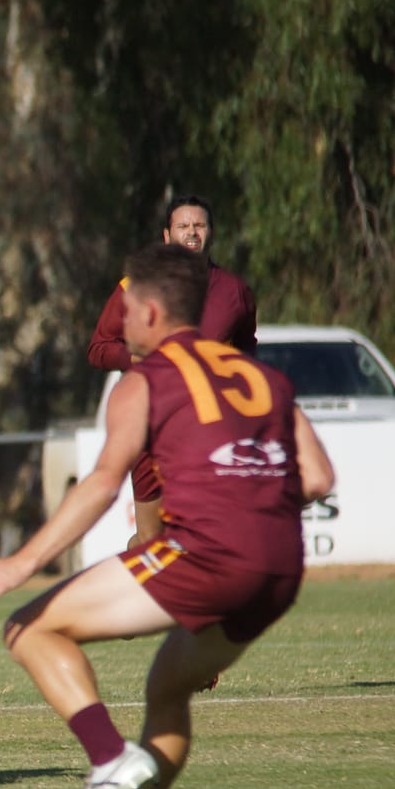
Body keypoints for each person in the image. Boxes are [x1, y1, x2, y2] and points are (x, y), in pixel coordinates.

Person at [0, 242, 331, 789]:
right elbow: (318, 477)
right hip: (279, 568)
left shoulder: (144, 380)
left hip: (209, 555)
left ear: (153, 313)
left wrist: (18, 563)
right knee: (169, 684)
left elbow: (103, 485)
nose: (120, 321)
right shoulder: (264, 377)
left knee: (28, 627)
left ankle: (108, 759)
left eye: (126, 308)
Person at [87, 195, 258, 546]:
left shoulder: (234, 292)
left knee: (208, 535)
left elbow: (246, 350)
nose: (192, 233)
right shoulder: (136, 287)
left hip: (208, 429)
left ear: (210, 233)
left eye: (199, 225)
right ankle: (135, 582)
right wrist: (134, 361)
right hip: (152, 426)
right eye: (184, 226)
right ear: (168, 236)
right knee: (152, 540)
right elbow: (98, 349)